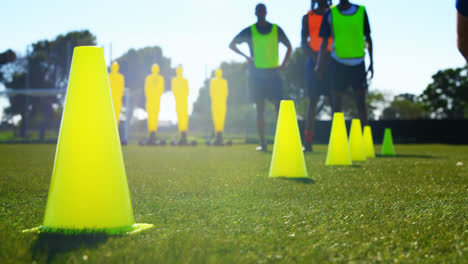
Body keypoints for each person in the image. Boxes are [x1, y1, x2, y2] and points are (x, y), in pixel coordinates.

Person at [229, 3, 292, 151]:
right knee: (260, 109)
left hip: (274, 73)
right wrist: (247, 57)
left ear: (266, 12)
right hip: (256, 74)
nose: (261, 14)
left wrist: (283, 64)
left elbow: (289, 46)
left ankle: (283, 140)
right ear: (255, 14)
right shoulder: (250, 31)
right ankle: (263, 143)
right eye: (258, 12)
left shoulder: (276, 29)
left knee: (279, 107)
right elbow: (232, 44)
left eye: (262, 11)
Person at [316, 0, 373, 127]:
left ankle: (366, 138)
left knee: (361, 103)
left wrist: (371, 63)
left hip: (358, 62)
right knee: (336, 104)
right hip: (338, 63)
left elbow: (368, 38)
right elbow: (324, 41)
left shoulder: (361, 11)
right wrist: (319, 64)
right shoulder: (330, 13)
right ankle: (338, 138)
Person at [301, 0, 333, 152]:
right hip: (313, 63)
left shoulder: (334, 13)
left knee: (335, 101)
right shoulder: (307, 17)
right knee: (312, 102)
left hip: (332, 61)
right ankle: (308, 141)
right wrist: (317, 61)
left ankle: (337, 142)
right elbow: (303, 41)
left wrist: (326, 60)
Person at [141, 64, 165, 145]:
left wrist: (155, 97)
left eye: (156, 68)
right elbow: (146, 90)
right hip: (150, 101)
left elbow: (161, 90)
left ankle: (153, 135)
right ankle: (151, 135)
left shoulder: (161, 79)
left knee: (155, 118)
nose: (155, 70)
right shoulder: (148, 78)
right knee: (151, 118)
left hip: (156, 101)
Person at [210, 69, 229, 145]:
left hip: (222, 102)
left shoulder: (224, 81)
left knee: (221, 119)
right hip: (216, 103)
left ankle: (220, 136)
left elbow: (226, 92)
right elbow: (211, 92)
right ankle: (218, 136)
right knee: (216, 119)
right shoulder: (213, 81)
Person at [172, 66, 190, 145]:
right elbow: (174, 90)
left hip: (184, 102)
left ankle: (184, 136)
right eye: (178, 70)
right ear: (177, 71)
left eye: (180, 70)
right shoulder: (174, 80)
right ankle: (181, 135)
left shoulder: (185, 80)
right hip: (178, 102)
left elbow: (187, 91)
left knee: (184, 118)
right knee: (180, 118)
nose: (179, 72)